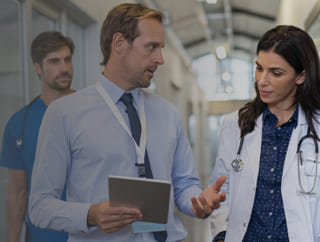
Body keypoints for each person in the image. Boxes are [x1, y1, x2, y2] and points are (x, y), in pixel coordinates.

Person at [28, 3, 226, 242]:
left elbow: (184, 184)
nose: (160, 59)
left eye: (161, 48)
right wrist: (90, 214)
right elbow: (39, 207)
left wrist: (199, 201)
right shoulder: (64, 114)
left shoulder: (168, 113)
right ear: (119, 43)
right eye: (151, 47)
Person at [209, 24, 320, 242]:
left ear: (301, 76)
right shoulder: (235, 125)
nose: (262, 80)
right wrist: (222, 234)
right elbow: (222, 188)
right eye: (259, 68)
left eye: (276, 73)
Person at [0, 31, 74, 242]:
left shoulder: (92, 112)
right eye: (54, 61)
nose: (64, 68)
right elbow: (18, 191)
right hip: (43, 236)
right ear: (37, 67)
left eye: (67, 60)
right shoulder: (19, 124)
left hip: (90, 233)